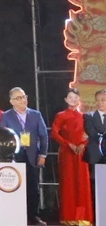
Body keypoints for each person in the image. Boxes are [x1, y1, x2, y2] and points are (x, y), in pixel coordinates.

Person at [0, 88, 49, 225]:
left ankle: (34, 216)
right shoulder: (6, 116)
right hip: (14, 156)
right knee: (16, 186)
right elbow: (2, 136)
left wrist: (42, 154)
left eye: (24, 96)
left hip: (33, 155)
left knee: (33, 187)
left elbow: (44, 136)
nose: (23, 100)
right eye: (18, 98)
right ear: (11, 102)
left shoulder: (36, 114)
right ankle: (16, 215)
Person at [51, 88, 92, 226]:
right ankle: (68, 217)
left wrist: (83, 144)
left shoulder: (84, 116)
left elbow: (89, 134)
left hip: (81, 154)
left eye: (75, 97)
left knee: (82, 184)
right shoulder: (60, 116)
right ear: (65, 99)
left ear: (79, 99)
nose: (73, 99)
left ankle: (82, 218)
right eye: (70, 97)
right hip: (67, 154)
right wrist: (68, 145)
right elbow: (55, 134)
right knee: (68, 185)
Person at [83, 88, 106, 165]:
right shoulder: (89, 116)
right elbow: (92, 133)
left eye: (103, 100)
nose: (100, 103)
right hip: (95, 155)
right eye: (97, 100)